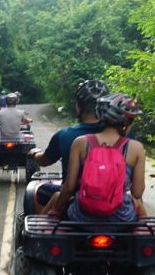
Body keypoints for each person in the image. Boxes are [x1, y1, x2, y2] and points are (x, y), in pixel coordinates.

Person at [45, 93, 148, 221]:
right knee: (140, 211)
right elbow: (137, 192)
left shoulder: (81, 143)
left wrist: (55, 210)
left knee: (50, 218)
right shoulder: (136, 148)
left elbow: (69, 187)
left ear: (100, 115)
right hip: (121, 217)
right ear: (128, 122)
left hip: (81, 215)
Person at [27, 79, 109, 213]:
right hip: (114, 201)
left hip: (73, 199)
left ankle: (43, 228)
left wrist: (35, 154)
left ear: (78, 107)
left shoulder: (65, 136)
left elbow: (46, 161)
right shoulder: (124, 137)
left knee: (39, 191)